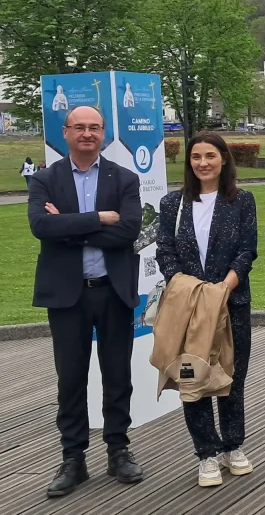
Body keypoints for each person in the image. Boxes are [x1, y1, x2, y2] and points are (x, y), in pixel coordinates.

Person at [27, 105, 144, 498]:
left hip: (112, 291)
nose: (87, 134)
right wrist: (100, 218)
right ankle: (73, 458)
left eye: (95, 127)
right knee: (71, 378)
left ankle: (118, 449)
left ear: (104, 133)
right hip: (67, 295)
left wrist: (68, 226)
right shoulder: (45, 179)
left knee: (117, 375)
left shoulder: (124, 178)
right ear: (66, 132)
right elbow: (40, 226)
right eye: (79, 127)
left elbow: (129, 230)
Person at [156, 132, 257, 488]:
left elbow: (247, 249)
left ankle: (233, 445)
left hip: (231, 303)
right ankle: (206, 453)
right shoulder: (173, 204)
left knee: (232, 377)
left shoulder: (242, 201)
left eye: (210, 156)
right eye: (196, 157)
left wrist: (223, 288)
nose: (203, 163)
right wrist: (189, 288)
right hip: (188, 307)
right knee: (192, 378)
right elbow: (164, 250)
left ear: (223, 158)